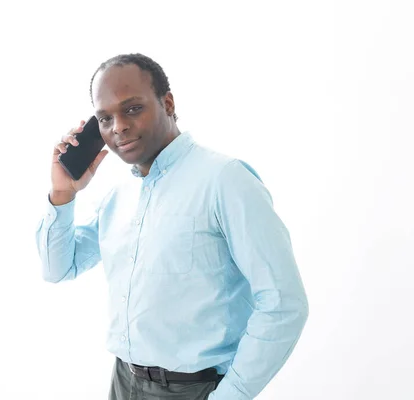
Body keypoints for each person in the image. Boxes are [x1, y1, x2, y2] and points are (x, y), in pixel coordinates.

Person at [35, 53, 309, 400]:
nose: (117, 127)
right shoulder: (119, 196)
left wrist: (232, 395)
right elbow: (57, 268)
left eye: (132, 109)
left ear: (167, 103)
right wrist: (62, 193)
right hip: (122, 382)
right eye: (105, 118)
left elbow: (284, 302)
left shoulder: (226, 180)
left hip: (193, 390)